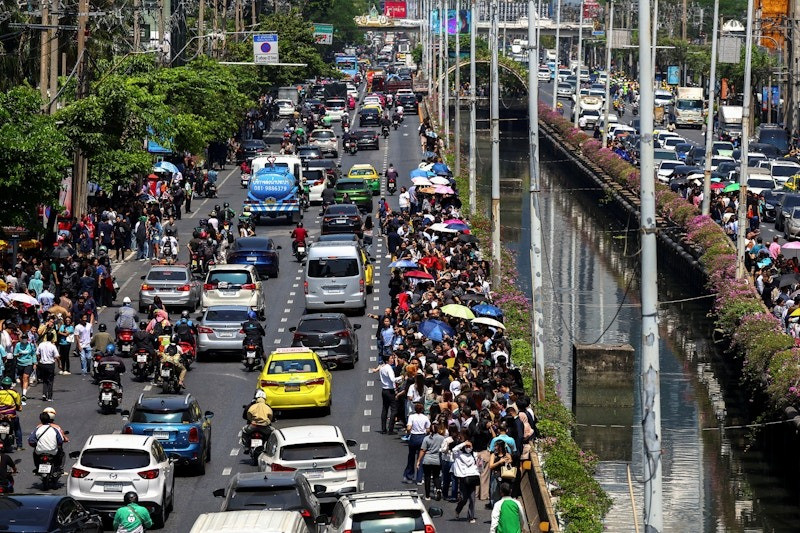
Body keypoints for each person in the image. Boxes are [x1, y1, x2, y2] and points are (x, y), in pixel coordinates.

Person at [452, 437, 481, 523]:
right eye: (467, 446)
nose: (468, 448)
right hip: (463, 479)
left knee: (472, 498)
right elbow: (454, 449)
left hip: (472, 478)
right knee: (464, 498)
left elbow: (479, 465)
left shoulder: (474, 455)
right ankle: (458, 510)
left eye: (470, 446)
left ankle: (470, 516)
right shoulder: (458, 454)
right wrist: (464, 443)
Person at [416, 422, 445, 500]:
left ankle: (428, 495)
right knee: (436, 476)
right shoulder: (442, 438)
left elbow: (423, 450)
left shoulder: (426, 438)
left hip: (427, 460)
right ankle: (438, 488)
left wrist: (418, 460)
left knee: (427, 477)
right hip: (437, 460)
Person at [0, 376, 22, 450]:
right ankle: (19, 445)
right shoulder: (15, 393)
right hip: (11, 416)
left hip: (1, 416)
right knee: (17, 429)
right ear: (10, 385)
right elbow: (18, 404)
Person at [35, 333, 59, 402]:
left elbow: (37, 353)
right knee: (50, 381)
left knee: (45, 380)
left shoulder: (41, 344)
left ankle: (44, 394)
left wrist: (39, 359)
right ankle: (49, 397)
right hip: (50, 364)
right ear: (52, 338)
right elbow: (57, 356)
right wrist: (59, 364)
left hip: (42, 364)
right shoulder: (52, 346)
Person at [13, 335, 35, 405]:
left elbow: (33, 354)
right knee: (21, 379)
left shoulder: (31, 345)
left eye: (25, 338)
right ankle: (23, 391)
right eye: (23, 338)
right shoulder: (18, 345)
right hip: (20, 363)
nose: (24, 340)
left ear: (27, 339)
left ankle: (24, 395)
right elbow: (15, 354)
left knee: (26, 377)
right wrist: (18, 354)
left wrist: (35, 363)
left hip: (28, 363)